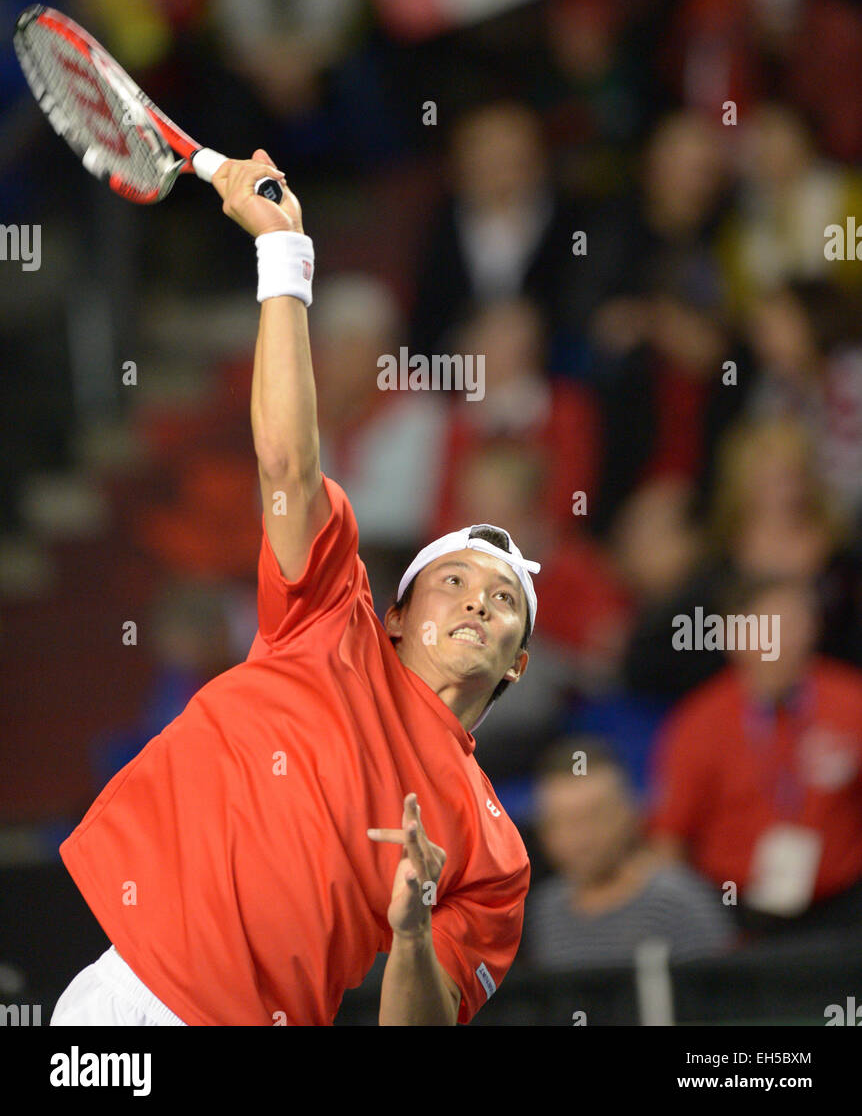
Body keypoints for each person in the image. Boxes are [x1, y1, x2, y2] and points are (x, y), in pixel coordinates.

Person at [50, 150, 534, 1027]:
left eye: (503, 601)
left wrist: (416, 930)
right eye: (452, 580)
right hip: (134, 1001)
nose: (475, 601)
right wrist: (284, 257)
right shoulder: (324, 623)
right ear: (393, 614)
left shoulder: (494, 853)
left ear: (518, 664)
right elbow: (285, 458)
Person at [648, 573, 862, 936]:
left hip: (842, 906)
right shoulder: (698, 723)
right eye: (770, 626)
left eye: (797, 623)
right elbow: (669, 840)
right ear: (734, 638)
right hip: (736, 913)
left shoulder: (850, 700)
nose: (785, 640)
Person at [524, 738, 734, 970]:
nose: (580, 839)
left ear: (629, 815)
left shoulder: (677, 903)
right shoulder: (544, 911)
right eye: (561, 823)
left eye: (593, 818)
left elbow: (717, 999)